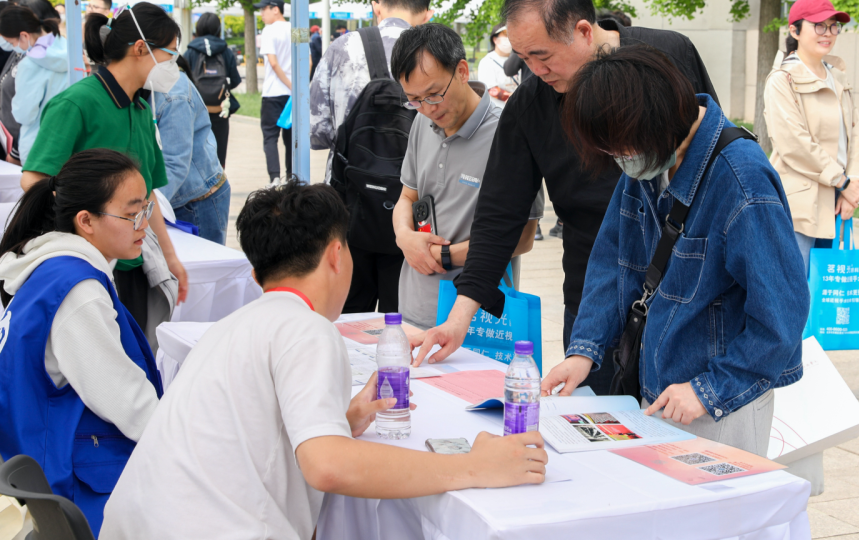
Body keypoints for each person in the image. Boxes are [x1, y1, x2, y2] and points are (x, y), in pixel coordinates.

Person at [99, 179, 547, 539]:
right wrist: (477, 467)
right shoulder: (306, 329)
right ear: (337, 254)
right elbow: (329, 466)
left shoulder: (234, 325)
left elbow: (256, 430)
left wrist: (344, 418)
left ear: (256, 275)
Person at [413, 0, 717, 397]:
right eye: (523, 58)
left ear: (584, 32)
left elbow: (713, 152)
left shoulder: (668, 55)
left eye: (542, 56)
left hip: (687, 292)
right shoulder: (531, 105)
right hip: (596, 299)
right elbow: (500, 212)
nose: (535, 71)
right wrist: (459, 316)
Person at [541, 45, 807, 456]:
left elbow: (782, 313)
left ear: (659, 121)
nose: (621, 161)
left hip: (720, 402)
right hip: (660, 391)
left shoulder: (742, 180)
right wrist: (584, 351)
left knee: (715, 517)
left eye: (623, 149)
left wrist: (709, 390)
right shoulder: (647, 154)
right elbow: (613, 259)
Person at [0, 149, 163, 535]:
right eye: (133, 213)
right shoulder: (79, 290)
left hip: (39, 463)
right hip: (77, 481)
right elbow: (127, 401)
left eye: (147, 209)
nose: (145, 225)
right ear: (86, 221)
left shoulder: (49, 269)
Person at [20, 2, 188, 333]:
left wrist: (170, 258)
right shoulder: (77, 103)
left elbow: (148, 192)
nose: (174, 66)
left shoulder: (140, 109)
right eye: (171, 54)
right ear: (141, 48)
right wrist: (88, 222)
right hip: (84, 265)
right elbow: (34, 180)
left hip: (131, 262)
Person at [391, 24, 542, 329]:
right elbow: (408, 197)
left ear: (461, 71)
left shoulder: (509, 133)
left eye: (434, 95)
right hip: (415, 306)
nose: (427, 109)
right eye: (414, 99)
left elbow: (524, 236)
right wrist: (405, 238)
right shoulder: (422, 123)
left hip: (479, 319)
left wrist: (443, 256)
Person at [763, 0, 859, 272]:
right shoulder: (782, 79)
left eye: (833, 26)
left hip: (837, 198)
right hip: (799, 202)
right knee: (795, 294)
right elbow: (794, 144)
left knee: (825, 296)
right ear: (794, 30)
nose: (828, 34)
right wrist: (842, 182)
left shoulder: (836, 76)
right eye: (819, 26)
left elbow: (853, 135)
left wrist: (853, 187)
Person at [310, 0, 433, 182]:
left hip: (347, 187)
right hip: (415, 190)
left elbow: (316, 132)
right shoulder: (436, 55)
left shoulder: (341, 48)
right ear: (427, 15)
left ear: (376, 7)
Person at [155, 56, 230, 245]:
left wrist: (145, 212)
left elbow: (175, 162)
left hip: (196, 201)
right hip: (177, 197)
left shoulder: (174, 94)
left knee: (201, 272)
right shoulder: (153, 83)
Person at [0, 5, 70, 162]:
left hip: (37, 146)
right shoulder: (67, 48)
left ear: (24, 36)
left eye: (11, 43)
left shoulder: (29, 64)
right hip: (68, 139)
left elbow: (24, 113)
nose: (12, 47)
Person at [184, 12, 242, 167]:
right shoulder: (226, 51)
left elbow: (182, 80)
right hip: (220, 110)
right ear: (218, 29)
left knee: (195, 153)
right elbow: (235, 80)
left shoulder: (190, 51)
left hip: (195, 112)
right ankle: (218, 185)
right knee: (218, 154)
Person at [255, 0, 293, 186]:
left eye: (264, 9)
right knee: (291, 138)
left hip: (273, 93)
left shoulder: (268, 31)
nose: (261, 13)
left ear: (275, 9)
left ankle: (275, 178)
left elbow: (272, 62)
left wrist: (288, 83)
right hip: (292, 96)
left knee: (270, 136)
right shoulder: (297, 29)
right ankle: (292, 177)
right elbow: (309, 60)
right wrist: (296, 87)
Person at [476, 23, 520, 104]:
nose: (509, 38)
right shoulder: (487, 62)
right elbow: (492, 90)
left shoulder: (519, 58)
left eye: (512, 34)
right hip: (499, 112)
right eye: (506, 35)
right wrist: (519, 99)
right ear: (495, 39)